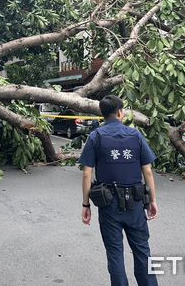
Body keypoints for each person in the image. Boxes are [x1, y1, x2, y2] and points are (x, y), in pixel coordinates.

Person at [79, 95, 158, 286]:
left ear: (103, 114)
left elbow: (87, 174)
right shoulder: (136, 135)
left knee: (115, 253)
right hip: (136, 203)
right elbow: (147, 171)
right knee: (142, 250)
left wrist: (85, 204)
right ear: (120, 112)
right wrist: (153, 200)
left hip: (108, 205)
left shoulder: (95, 137)